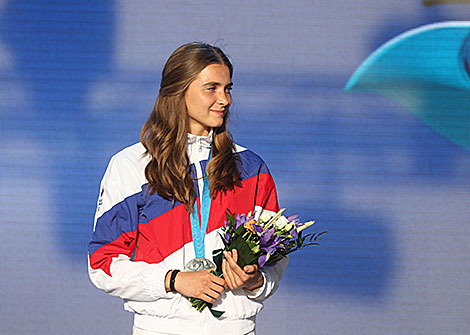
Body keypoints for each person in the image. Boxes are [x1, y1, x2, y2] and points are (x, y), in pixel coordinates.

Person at [88, 42, 288, 335]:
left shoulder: (250, 168)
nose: (225, 100)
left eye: (228, 88)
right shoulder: (131, 166)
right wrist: (172, 280)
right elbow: (102, 263)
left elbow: (276, 257)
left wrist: (255, 280)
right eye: (212, 88)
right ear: (178, 91)